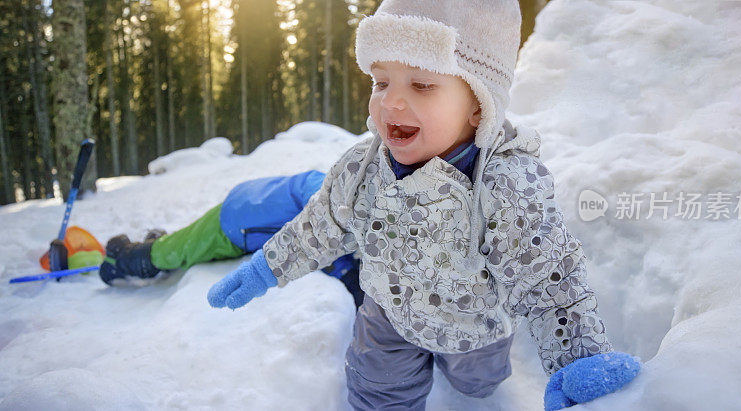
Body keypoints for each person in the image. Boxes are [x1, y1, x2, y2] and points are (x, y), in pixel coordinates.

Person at [207, 1, 641, 410]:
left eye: (422, 84)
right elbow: (321, 224)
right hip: (387, 315)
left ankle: (473, 380)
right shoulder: (363, 168)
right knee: (377, 391)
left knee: (479, 384)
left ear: (478, 105)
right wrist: (267, 267)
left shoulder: (506, 187)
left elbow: (548, 279)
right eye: (381, 82)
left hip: (475, 329)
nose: (392, 101)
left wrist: (577, 358)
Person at [99, 170, 364, 307]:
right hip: (234, 221)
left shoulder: (341, 193)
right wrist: (351, 281)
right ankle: (122, 258)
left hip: (250, 207)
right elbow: (323, 240)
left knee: (179, 245)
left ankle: (156, 241)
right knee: (166, 254)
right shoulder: (328, 196)